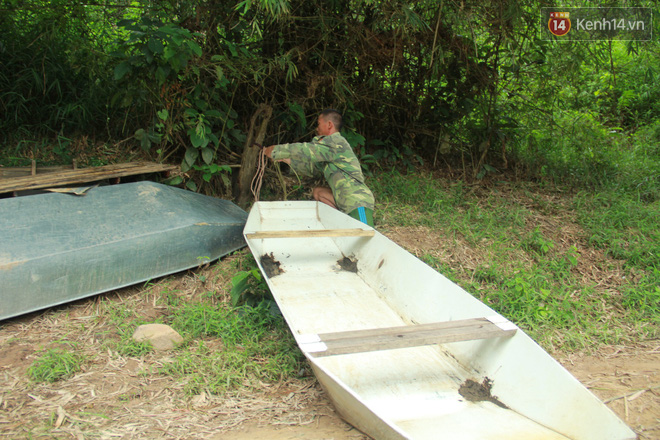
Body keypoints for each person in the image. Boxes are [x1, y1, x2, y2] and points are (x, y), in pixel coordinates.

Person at [263, 109, 375, 227]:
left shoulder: (335, 142)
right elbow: (313, 169)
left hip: (356, 201)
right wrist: (286, 159)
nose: (317, 128)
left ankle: (348, 222)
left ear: (329, 125)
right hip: (342, 199)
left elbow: (307, 150)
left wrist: (276, 150)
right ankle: (340, 222)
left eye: (318, 123)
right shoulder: (327, 151)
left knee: (365, 237)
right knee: (318, 192)